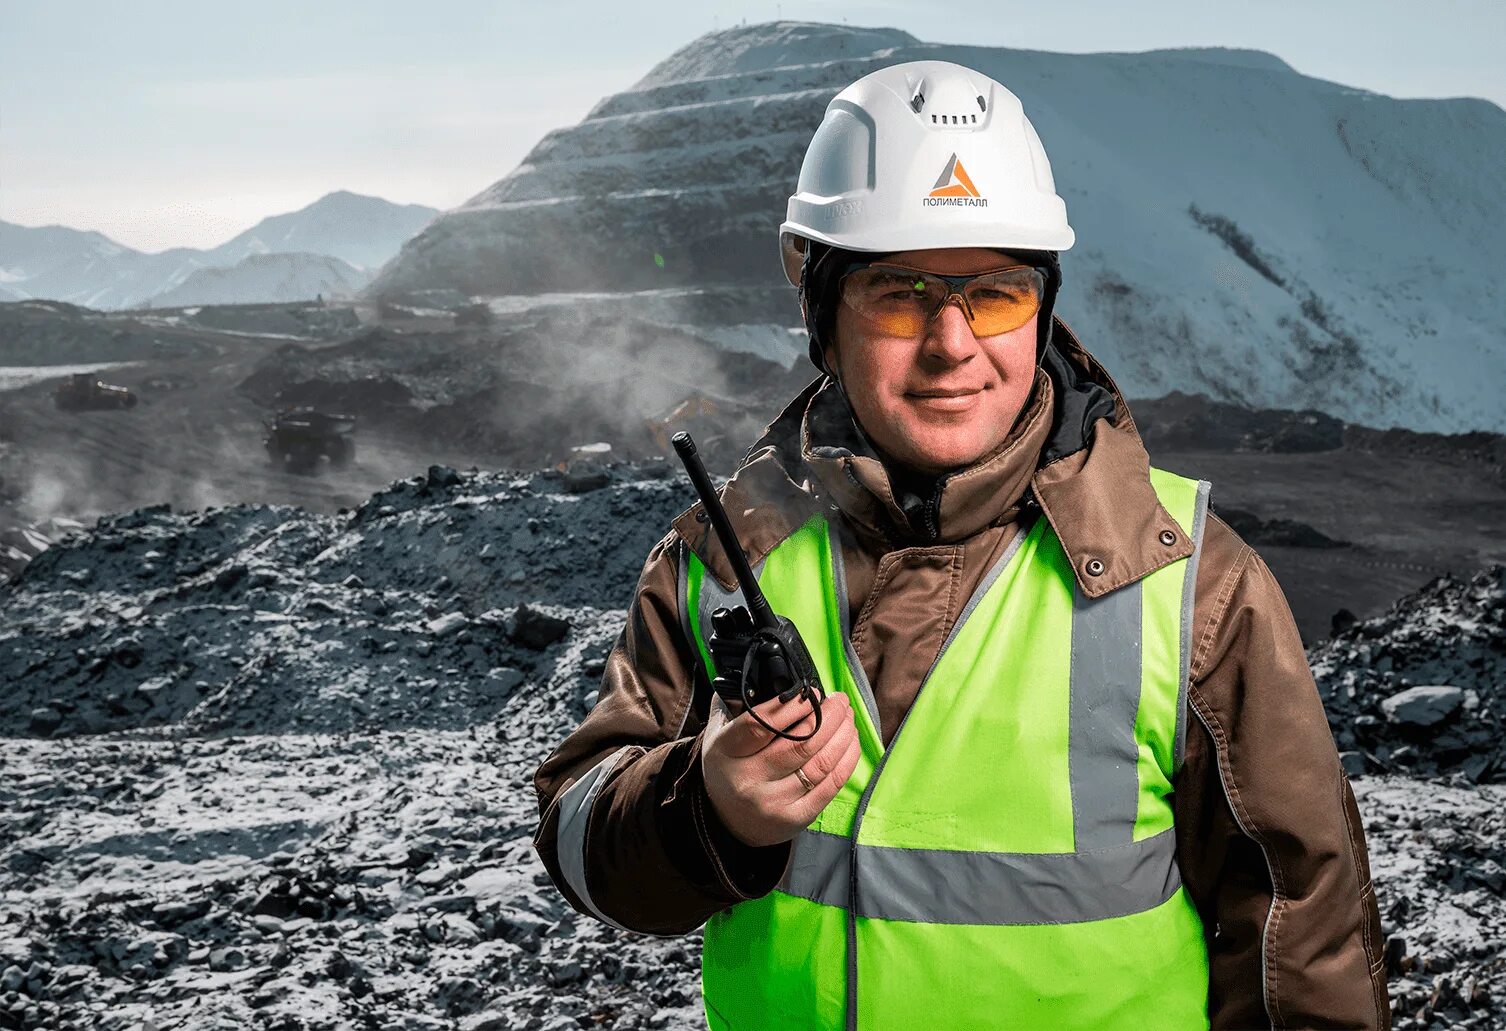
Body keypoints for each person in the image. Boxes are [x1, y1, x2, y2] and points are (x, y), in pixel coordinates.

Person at [534, 60, 1389, 1030]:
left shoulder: (1192, 581)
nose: (951, 341)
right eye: (899, 294)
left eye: (995, 295)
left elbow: (1302, 941)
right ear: (823, 309)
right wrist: (704, 811)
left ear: (1043, 305)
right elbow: (576, 834)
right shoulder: (720, 564)